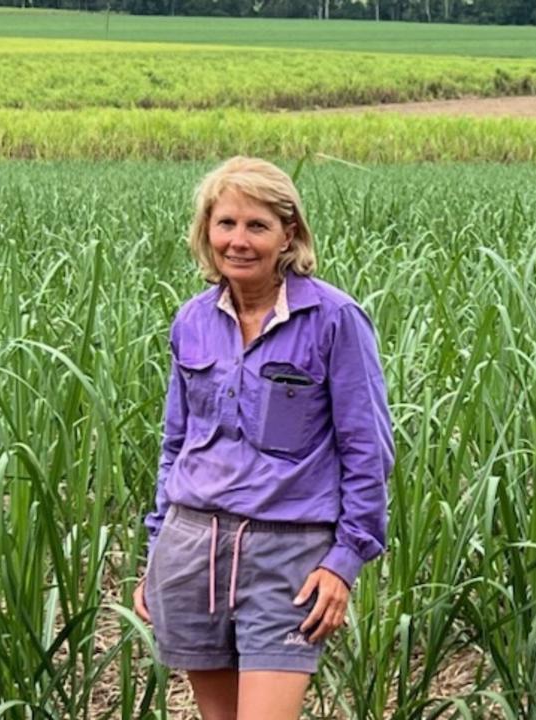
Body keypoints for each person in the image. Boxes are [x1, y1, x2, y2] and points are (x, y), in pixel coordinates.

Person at [132, 156, 394, 720]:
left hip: (288, 555)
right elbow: (176, 445)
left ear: (288, 234)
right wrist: (156, 551)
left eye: (257, 226)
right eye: (225, 224)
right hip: (191, 548)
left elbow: (367, 450)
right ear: (207, 231)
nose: (238, 241)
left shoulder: (334, 319)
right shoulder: (192, 321)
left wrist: (345, 559)